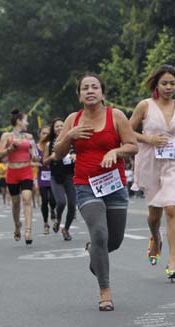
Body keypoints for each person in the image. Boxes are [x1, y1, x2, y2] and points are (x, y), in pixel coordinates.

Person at [54, 73, 138, 311]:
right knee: (99, 233)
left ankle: (94, 253)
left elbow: (133, 146)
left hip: (115, 185)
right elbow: (58, 154)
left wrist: (116, 153)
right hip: (85, 184)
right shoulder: (74, 119)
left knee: (114, 240)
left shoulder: (117, 116)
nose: (90, 91)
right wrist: (69, 136)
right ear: (79, 95)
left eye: (94, 87)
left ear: (102, 92)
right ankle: (105, 291)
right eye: (85, 88)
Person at [130, 65, 175, 280]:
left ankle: (173, 262)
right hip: (149, 160)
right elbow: (127, 131)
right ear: (156, 85)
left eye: (172, 83)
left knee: (171, 207)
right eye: (164, 83)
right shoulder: (145, 106)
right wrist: (149, 139)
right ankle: (155, 237)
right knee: (154, 215)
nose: (168, 87)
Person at [0, 109, 38, 244]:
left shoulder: (29, 137)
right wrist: (11, 148)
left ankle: (28, 231)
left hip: (26, 170)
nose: (27, 123)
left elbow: (34, 154)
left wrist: (36, 155)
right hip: (12, 172)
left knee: (27, 198)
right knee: (15, 203)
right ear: (19, 121)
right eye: (26, 120)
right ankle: (17, 226)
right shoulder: (7, 136)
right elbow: (0, 155)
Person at [47, 118, 77, 240]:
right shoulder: (50, 144)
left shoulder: (72, 140)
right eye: (57, 126)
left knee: (72, 204)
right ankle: (58, 220)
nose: (59, 128)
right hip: (56, 177)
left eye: (62, 125)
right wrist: (51, 157)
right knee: (61, 202)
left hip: (70, 176)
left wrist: (75, 155)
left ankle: (66, 229)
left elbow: (78, 152)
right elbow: (44, 161)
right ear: (53, 130)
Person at [36, 126, 56, 234]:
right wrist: (36, 163)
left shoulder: (52, 146)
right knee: (44, 200)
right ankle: (45, 223)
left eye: (47, 133)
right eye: (43, 133)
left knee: (53, 200)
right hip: (41, 176)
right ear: (39, 134)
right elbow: (29, 160)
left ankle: (53, 210)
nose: (45, 135)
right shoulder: (35, 147)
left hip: (52, 176)